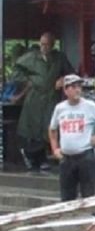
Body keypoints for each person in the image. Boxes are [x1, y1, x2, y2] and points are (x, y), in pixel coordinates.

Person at [48, 75, 95, 201]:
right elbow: (53, 129)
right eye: (73, 87)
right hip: (67, 158)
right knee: (67, 197)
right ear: (66, 90)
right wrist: (55, 149)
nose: (77, 90)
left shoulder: (89, 106)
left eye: (79, 87)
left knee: (88, 194)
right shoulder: (60, 108)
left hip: (85, 157)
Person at [12, 32, 74, 171]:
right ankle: (34, 158)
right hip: (34, 98)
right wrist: (28, 81)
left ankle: (45, 157)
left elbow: (71, 73)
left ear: (52, 45)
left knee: (49, 127)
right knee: (32, 129)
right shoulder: (31, 57)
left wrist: (63, 79)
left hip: (51, 97)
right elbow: (16, 72)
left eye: (47, 45)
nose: (44, 47)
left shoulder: (59, 58)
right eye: (42, 44)